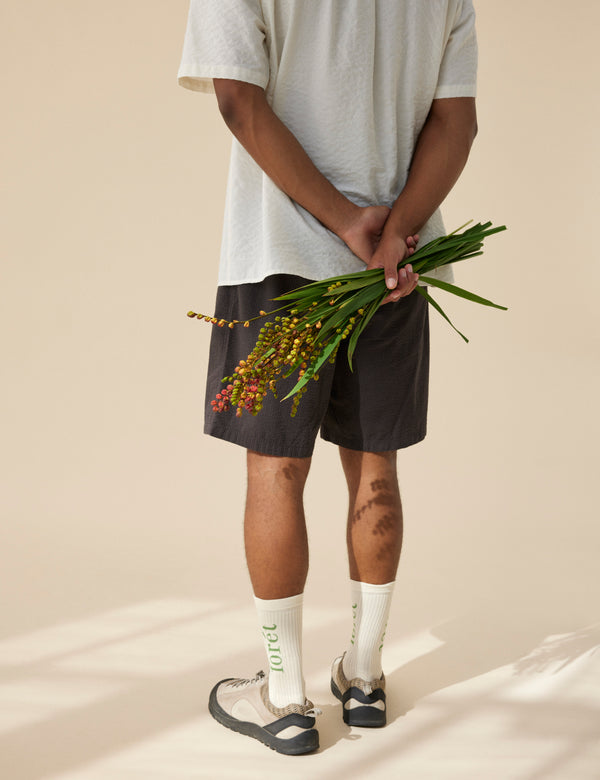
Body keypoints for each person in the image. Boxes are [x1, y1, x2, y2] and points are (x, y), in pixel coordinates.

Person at [178, 0, 478, 755]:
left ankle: (285, 699)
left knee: (276, 471)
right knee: (375, 464)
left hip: (278, 251)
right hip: (396, 267)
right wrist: (394, 233)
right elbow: (457, 122)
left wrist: (346, 222)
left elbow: (239, 101)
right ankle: (365, 677)